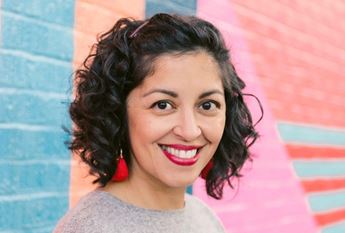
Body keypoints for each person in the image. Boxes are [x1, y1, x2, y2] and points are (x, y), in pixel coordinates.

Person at [53, 13, 260, 233]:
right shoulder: (90, 228)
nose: (189, 131)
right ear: (117, 113)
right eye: (163, 105)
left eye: (207, 105)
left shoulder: (205, 219)